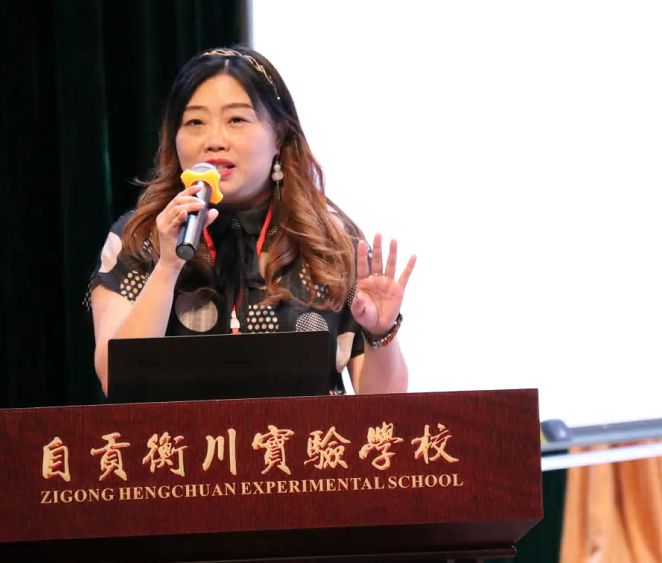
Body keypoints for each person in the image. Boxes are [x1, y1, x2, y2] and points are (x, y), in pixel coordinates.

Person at [88, 45, 416, 399]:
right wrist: (167, 266)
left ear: (279, 136)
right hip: (181, 438)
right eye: (195, 122)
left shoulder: (329, 243)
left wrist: (380, 333)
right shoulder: (139, 238)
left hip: (301, 437)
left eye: (236, 120)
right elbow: (115, 380)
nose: (214, 141)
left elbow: (383, 404)